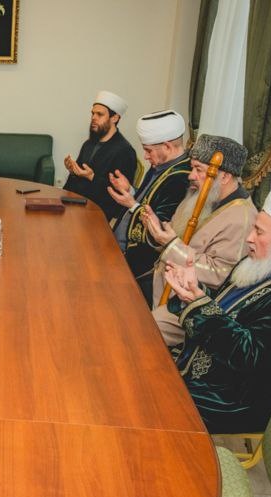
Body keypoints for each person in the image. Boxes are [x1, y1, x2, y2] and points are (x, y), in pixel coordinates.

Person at [163, 182, 271, 434]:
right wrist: (192, 290)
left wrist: (198, 304)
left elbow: (250, 357)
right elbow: (225, 309)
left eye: (259, 231)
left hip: (235, 400)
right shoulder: (262, 262)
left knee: (149, 399)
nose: (249, 238)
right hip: (211, 371)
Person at [146, 134, 258, 345]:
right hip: (162, 286)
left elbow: (218, 274)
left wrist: (170, 245)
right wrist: (157, 231)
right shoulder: (200, 195)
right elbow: (175, 237)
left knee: (140, 328)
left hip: (188, 306)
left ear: (224, 176)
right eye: (192, 168)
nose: (191, 175)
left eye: (198, 169)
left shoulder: (241, 219)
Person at [108, 110, 191, 303]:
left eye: (148, 150)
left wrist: (131, 203)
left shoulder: (181, 178)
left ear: (167, 146)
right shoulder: (161, 165)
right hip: (121, 253)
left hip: (142, 269)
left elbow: (160, 229)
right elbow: (149, 200)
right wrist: (131, 190)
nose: (145, 156)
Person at [63, 91, 137, 223]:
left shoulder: (124, 151)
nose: (93, 118)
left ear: (114, 118)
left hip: (98, 214)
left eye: (100, 114)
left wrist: (92, 177)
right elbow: (77, 180)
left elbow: (119, 195)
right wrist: (73, 171)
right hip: (76, 205)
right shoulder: (89, 144)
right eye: (93, 113)